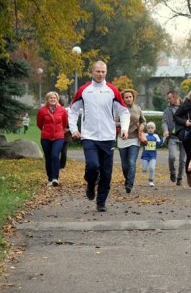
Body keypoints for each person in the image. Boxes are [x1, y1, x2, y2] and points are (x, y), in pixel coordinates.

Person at [68, 61, 130, 212]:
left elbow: (124, 111)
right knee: (93, 166)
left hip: (108, 137)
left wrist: (124, 128)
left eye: (103, 72)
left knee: (106, 172)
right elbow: (73, 111)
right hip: (89, 136)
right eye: (98, 71)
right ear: (92, 72)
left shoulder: (112, 90)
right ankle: (90, 183)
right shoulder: (84, 90)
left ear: (106, 73)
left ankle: (101, 202)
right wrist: (74, 129)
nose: (101, 74)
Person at [116, 88, 146, 194]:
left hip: (134, 139)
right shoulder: (120, 109)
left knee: (131, 162)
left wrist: (141, 126)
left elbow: (143, 121)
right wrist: (124, 124)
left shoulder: (137, 109)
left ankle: (129, 184)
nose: (129, 99)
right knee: (125, 165)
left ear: (133, 98)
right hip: (122, 139)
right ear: (123, 99)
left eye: (130, 97)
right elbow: (114, 122)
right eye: (126, 97)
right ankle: (127, 180)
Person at [37, 91, 68, 187]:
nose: (53, 99)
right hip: (46, 137)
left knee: (55, 155)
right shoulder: (42, 111)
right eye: (51, 98)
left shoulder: (62, 111)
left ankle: (55, 178)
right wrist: (46, 130)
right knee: (48, 158)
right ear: (47, 99)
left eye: (54, 98)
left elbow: (65, 123)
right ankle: (50, 178)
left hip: (58, 137)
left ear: (57, 99)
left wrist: (60, 131)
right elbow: (39, 124)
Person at [162, 90, 186, 186]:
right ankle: (172, 172)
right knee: (172, 157)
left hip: (184, 136)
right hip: (172, 137)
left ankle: (180, 177)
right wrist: (165, 130)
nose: (168, 100)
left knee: (183, 159)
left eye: (169, 98)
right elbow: (164, 121)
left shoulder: (185, 107)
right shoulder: (167, 110)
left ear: (176, 97)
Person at [141, 122, 163, 187]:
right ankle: (145, 168)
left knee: (152, 168)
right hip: (145, 155)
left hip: (153, 155)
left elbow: (159, 144)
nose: (150, 129)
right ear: (147, 129)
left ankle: (151, 181)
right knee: (144, 169)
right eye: (149, 128)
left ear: (154, 129)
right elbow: (141, 141)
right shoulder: (144, 135)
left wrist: (163, 138)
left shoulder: (156, 136)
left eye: (152, 128)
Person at [58, 98, 72, 171]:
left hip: (65, 135)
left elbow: (70, 122)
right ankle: (60, 166)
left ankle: (61, 166)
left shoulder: (66, 111)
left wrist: (68, 128)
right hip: (59, 134)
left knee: (63, 152)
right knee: (60, 151)